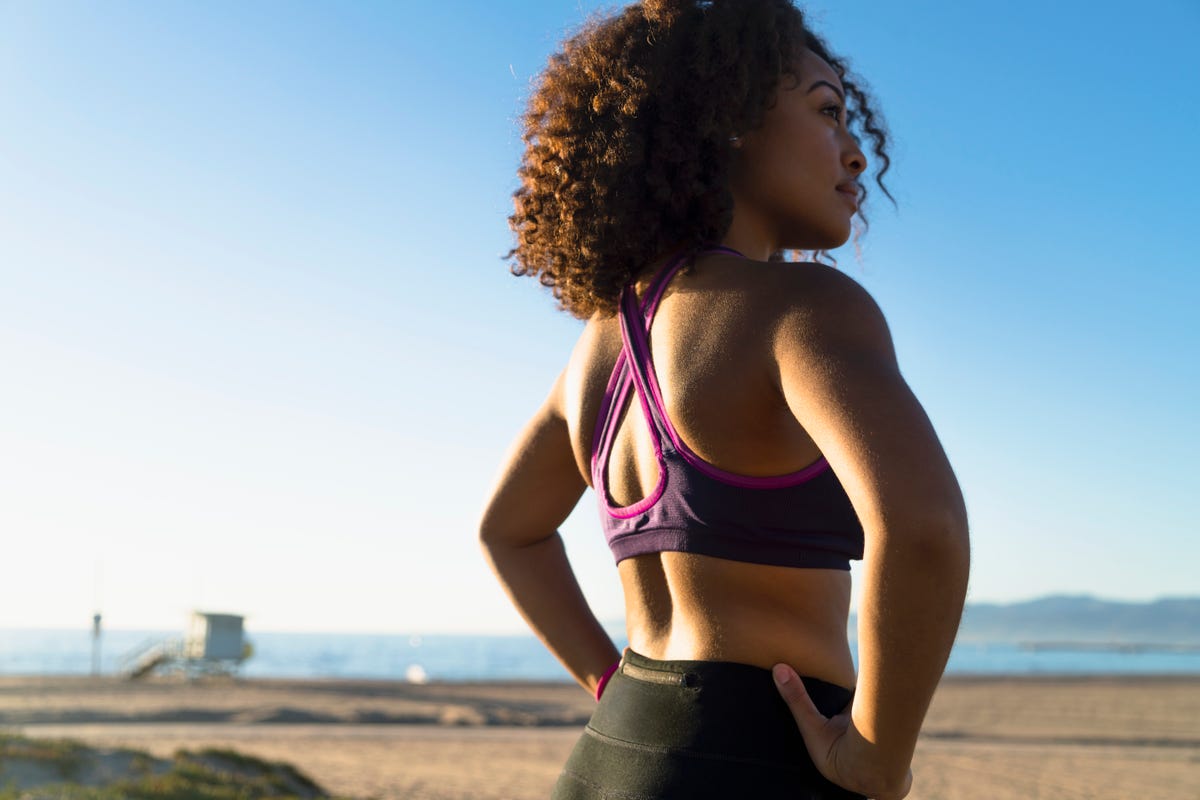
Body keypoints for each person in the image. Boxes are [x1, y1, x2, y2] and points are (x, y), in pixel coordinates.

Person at [478, 1, 970, 797]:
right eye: (827, 112)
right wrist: (876, 755)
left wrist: (610, 684)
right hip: (760, 760)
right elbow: (925, 529)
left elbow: (508, 531)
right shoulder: (804, 308)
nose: (856, 155)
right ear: (729, 118)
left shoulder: (601, 342)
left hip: (615, 751)